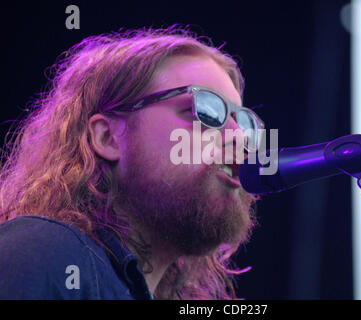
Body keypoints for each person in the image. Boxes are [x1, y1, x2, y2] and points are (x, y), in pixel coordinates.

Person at [0, 26, 263, 299]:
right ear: (108, 137)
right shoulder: (43, 252)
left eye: (243, 122)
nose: (239, 136)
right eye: (206, 110)